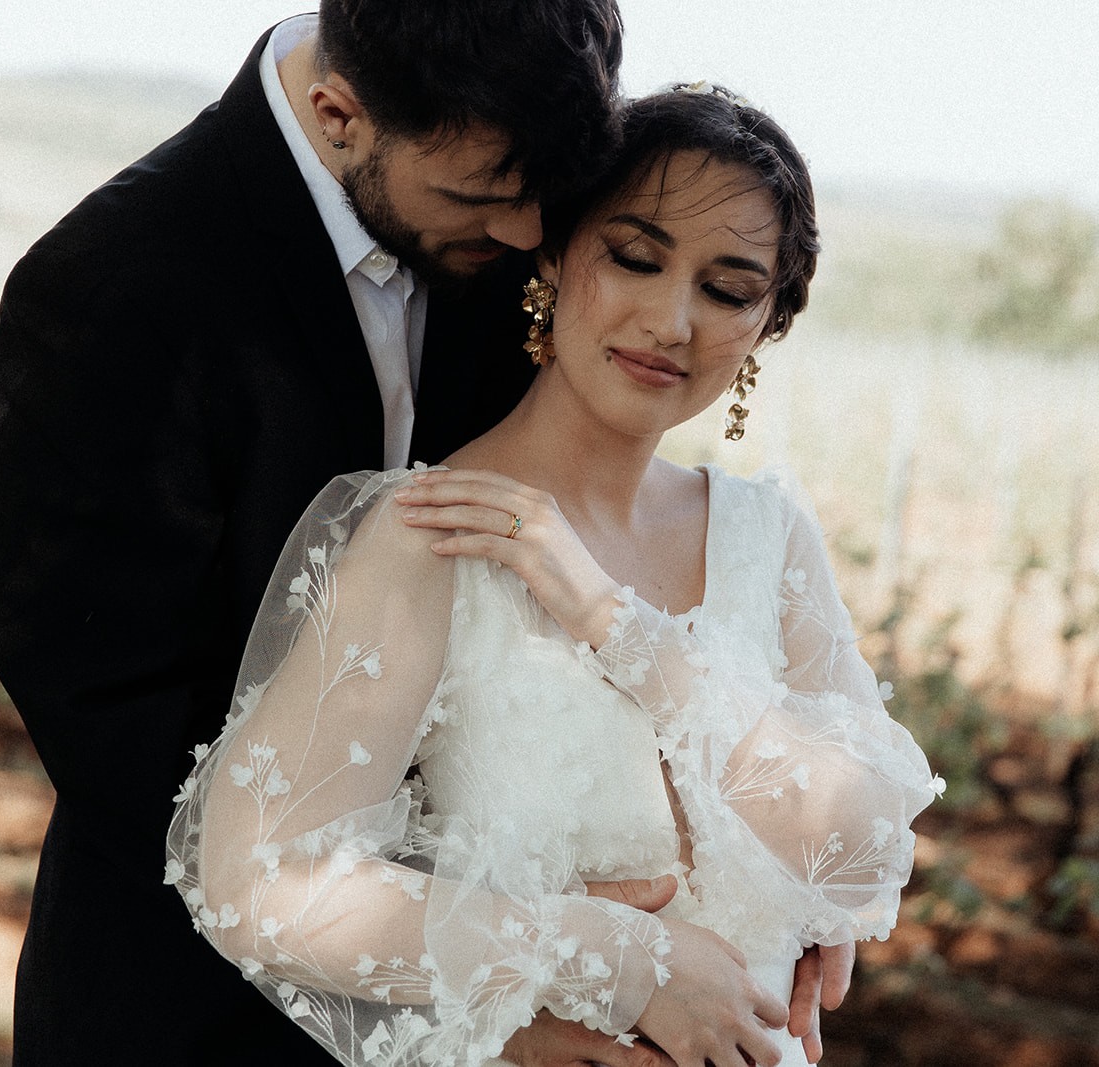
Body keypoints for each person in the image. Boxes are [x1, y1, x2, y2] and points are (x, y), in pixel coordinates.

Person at [166, 84, 944, 1067]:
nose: (671, 320)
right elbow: (259, 880)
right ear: (555, 251)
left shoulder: (767, 536)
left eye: (728, 287)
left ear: (764, 327)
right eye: (634, 256)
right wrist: (613, 959)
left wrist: (616, 621)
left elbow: (867, 854)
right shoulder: (433, 532)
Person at [0, 2, 654, 1064]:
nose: (531, 239)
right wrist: (442, 953)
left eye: (543, 199)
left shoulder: (513, 190)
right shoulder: (112, 282)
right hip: (194, 1006)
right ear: (338, 114)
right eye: (483, 197)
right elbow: (108, 699)